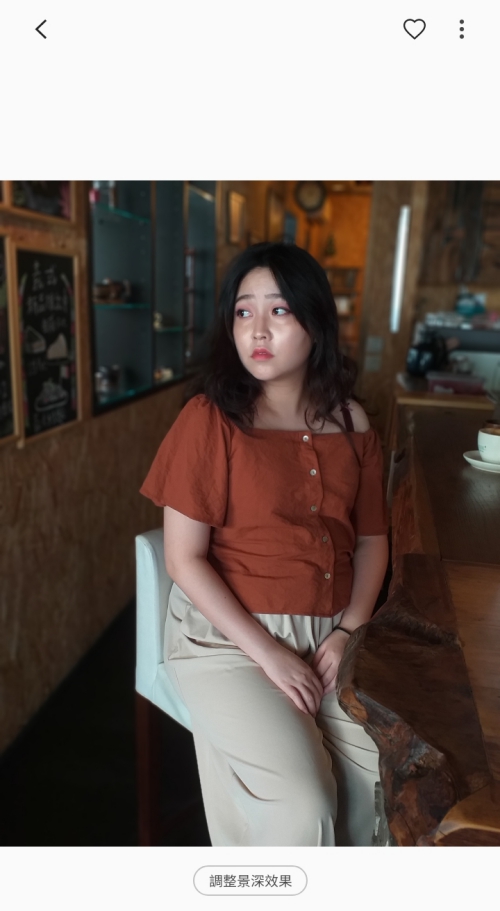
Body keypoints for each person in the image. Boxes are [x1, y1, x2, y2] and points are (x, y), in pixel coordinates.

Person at [140, 242, 389, 846]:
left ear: (315, 321)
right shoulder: (209, 419)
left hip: (331, 636)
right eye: (243, 311)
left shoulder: (353, 423)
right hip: (228, 640)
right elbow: (183, 559)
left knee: (383, 780)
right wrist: (270, 656)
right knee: (303, 806)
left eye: (278, 310)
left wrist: (348, 630)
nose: (257, 329)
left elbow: (371, 541)